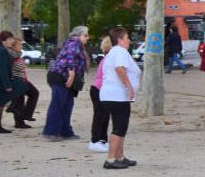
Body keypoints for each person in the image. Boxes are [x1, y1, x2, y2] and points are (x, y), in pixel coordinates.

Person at [100, 27, 141, 169]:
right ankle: (110, 159)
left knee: (121, 126)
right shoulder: (120, 51)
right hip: (116, 96)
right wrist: (129, 86)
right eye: (127, 38)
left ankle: (120, 156)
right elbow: (120, 69)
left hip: (115, 96)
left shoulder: (115, 52)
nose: (129, 40)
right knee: (118, 127)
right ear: (120, 40)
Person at [43, 26, 90, 141]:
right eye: (86, 35)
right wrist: (71, 73)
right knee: (58, 104)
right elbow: (70, 57)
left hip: (64, 77)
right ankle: (50, 132)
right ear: (77, 35)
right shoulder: (73, 43)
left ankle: (65, 131)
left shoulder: (77, 45)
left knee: (67, 105)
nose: (88, 38)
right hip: (60, 76)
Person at [7, 37, 38, 129]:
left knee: (34, 93)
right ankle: (19, 122)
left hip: (23, 80)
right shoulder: (10, 55)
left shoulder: (16, 54)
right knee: (20, 100)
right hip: (16, 81)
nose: (21, 46)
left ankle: (24, 115)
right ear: (13, 46)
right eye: (19, 45)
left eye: (21, 44)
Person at [89, 36, 113, 153]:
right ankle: (95, 140)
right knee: (100, 115)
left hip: (102, 90)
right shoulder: (108, 59)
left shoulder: (109, 58)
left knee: (105, 114)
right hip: (98, 89)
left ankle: (103, 139)